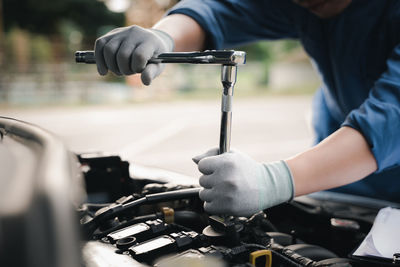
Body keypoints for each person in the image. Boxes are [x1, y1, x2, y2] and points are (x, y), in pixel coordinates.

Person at [94, 0, 400, 216]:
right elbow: (223, 8)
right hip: (336, 187)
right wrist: (164, 36)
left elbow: (392, 118)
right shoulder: (305, 3)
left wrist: (273, 181)